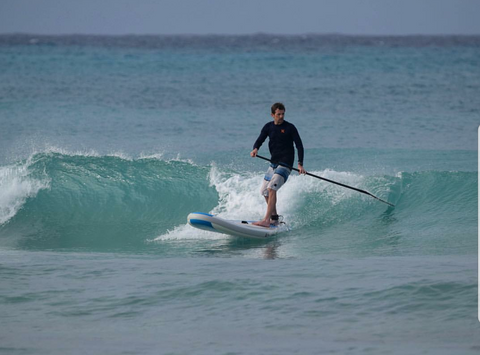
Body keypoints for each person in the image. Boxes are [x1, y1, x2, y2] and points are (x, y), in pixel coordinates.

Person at [250, 102, 306, 227]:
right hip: (274, 163)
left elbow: (299, 146)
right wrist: (255, 149)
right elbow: (260, 139)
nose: (281, 116)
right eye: (278, 114)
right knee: (264, 191)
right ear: (272, 115)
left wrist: (300, 164)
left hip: (286, 164)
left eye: (283, 114)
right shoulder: (268, 127)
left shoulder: (290, 128)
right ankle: (274, 218)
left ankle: (266, 220)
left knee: (271, 188)